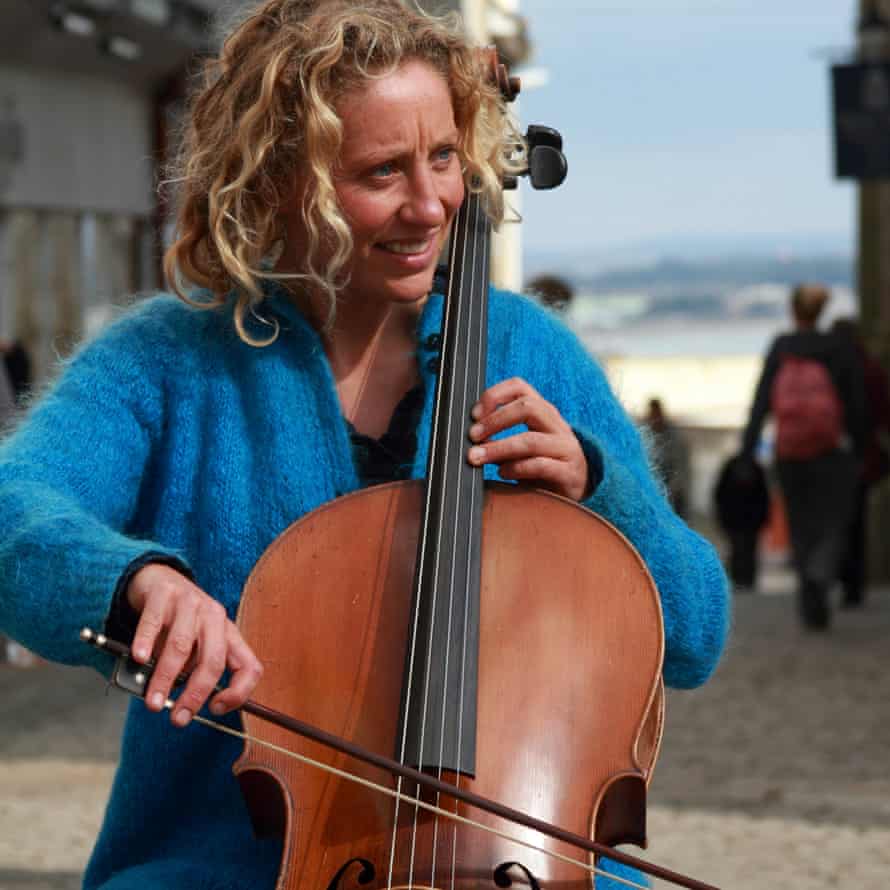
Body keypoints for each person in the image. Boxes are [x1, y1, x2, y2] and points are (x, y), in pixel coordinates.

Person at [0, 2, 729, 888]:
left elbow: (694, 635)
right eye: (383, 172)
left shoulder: (531, 352)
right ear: (276, 181)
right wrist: (132, 580)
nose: (431, 206)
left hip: (513, 862)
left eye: (445, 158)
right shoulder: (169, 360)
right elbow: (17, 511)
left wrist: (600, 489)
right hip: (224, 866)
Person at [741, 284, 865, 629]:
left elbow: (761, 400)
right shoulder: (837, 347)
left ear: (793, 311)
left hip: (789, 451)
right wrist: (861, 446)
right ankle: (820, 572)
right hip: (832, 452)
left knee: (799, 521)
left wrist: (747, 449)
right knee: (832, 520)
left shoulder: (782, 346)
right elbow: (855, 404)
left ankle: (809, 590)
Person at [831, 317, 890, 607]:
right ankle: (853, 584)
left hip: (826, 455)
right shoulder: (870, 368)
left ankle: (831, 574)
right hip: (861, 457)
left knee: (831, 519)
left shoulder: (825, 368)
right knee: (857, 521)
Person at [713, 452, 770, 593]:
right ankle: (743, 579)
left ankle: (744, 579)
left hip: (745, 519)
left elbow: (763, 497)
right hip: (739, 518)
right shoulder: (748, 466)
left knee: (744, 548)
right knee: (741, 548)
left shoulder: (751, 467)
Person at [642, 396, 691, 518]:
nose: (654, 417)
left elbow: (681, 466)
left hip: (673, 491)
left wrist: (673, 489)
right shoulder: (645, 435)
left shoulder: (675, 438)